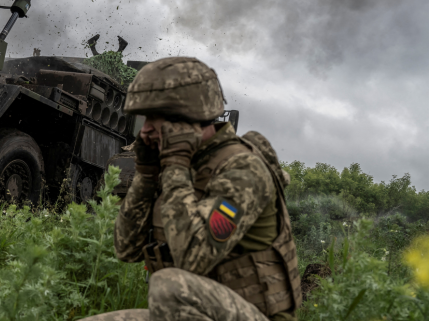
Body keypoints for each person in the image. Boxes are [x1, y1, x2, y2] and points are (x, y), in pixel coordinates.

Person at [83, 57, 301, 321]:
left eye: (155, 119)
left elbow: (193, 260)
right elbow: (127, 248)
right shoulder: (181, 164)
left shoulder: (243, 169)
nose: (146, 130)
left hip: (252, 315)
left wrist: (175, 165)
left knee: (168, 284)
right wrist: (147, 175)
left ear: (190, 118)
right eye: (144, 119)